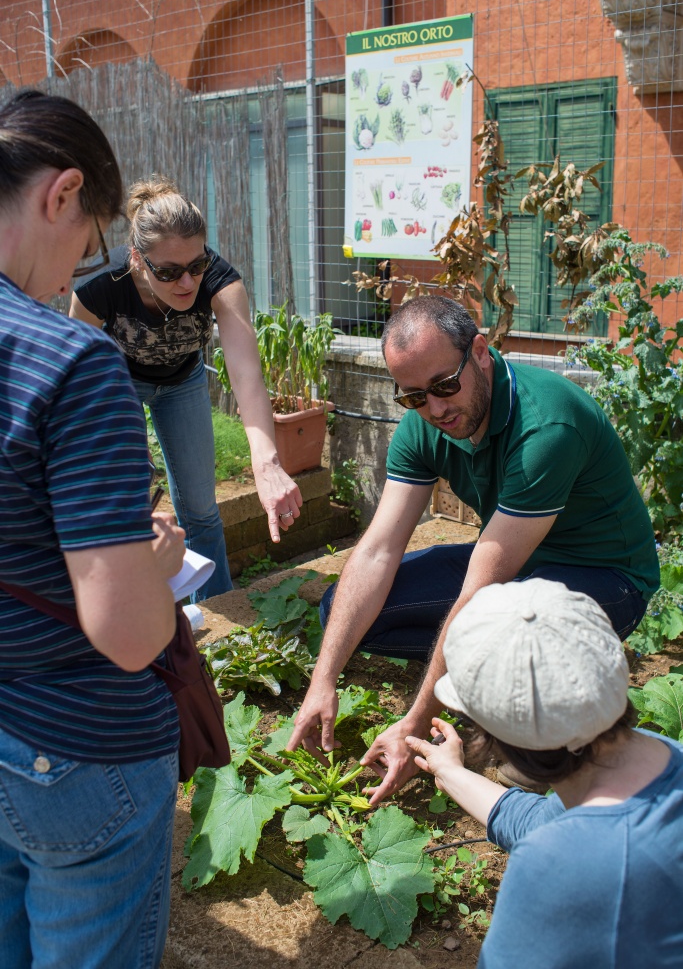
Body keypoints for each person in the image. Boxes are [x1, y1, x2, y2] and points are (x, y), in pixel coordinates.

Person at [288, 295, 659, 802]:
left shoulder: (546, 425)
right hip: (519, 563)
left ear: (480, 352)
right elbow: (377, 550)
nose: (435, 409)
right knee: (344, 609)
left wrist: (414, 727)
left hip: (605, 579)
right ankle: (491, 682)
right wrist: (322, 679)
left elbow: (479, 589)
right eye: (414, 397)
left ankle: (528, 709)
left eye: (444, 386)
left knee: (501, 627)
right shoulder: (424, 425)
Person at [0, 90, 188, 967]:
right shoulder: (69, 360)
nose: (79, 265)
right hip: (73, 744)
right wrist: (155, 566)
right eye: (93, 236)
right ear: (62, 193)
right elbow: (126, 634)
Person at [405, 578, 683, 968]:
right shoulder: (661, 757)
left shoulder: (558, 867)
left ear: (496, 738)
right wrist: (449, 770)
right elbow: (544, 822)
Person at [70, 175, 301, 600]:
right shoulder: (100, 285)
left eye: (195, 267)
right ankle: (131, 608)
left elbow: (246, 375)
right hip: (117, 386)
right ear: (138, 259)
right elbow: (73, 370)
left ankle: (215, 608)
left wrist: (267, 465)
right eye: (170, 271)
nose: (187, 284)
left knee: (200, 508)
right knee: (124, 502)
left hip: (183, 382)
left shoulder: (220, 280)